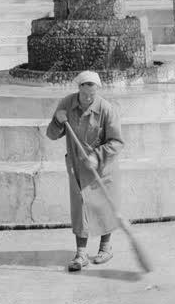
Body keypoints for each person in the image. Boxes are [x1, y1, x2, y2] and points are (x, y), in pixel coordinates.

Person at [46, 70, 124, 272]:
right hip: (77, 167)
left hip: (102, 167)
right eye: (85, 94)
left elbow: (116, 142)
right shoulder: (66, 104)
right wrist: (57, 120)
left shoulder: (107, 109)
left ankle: (105, 247)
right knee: (80, 207)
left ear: (97, 91)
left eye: (92, 94)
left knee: (103, 205)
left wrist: (96, 156)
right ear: (79, 89)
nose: (88, 98)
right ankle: (81, 253)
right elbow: (51, 135)